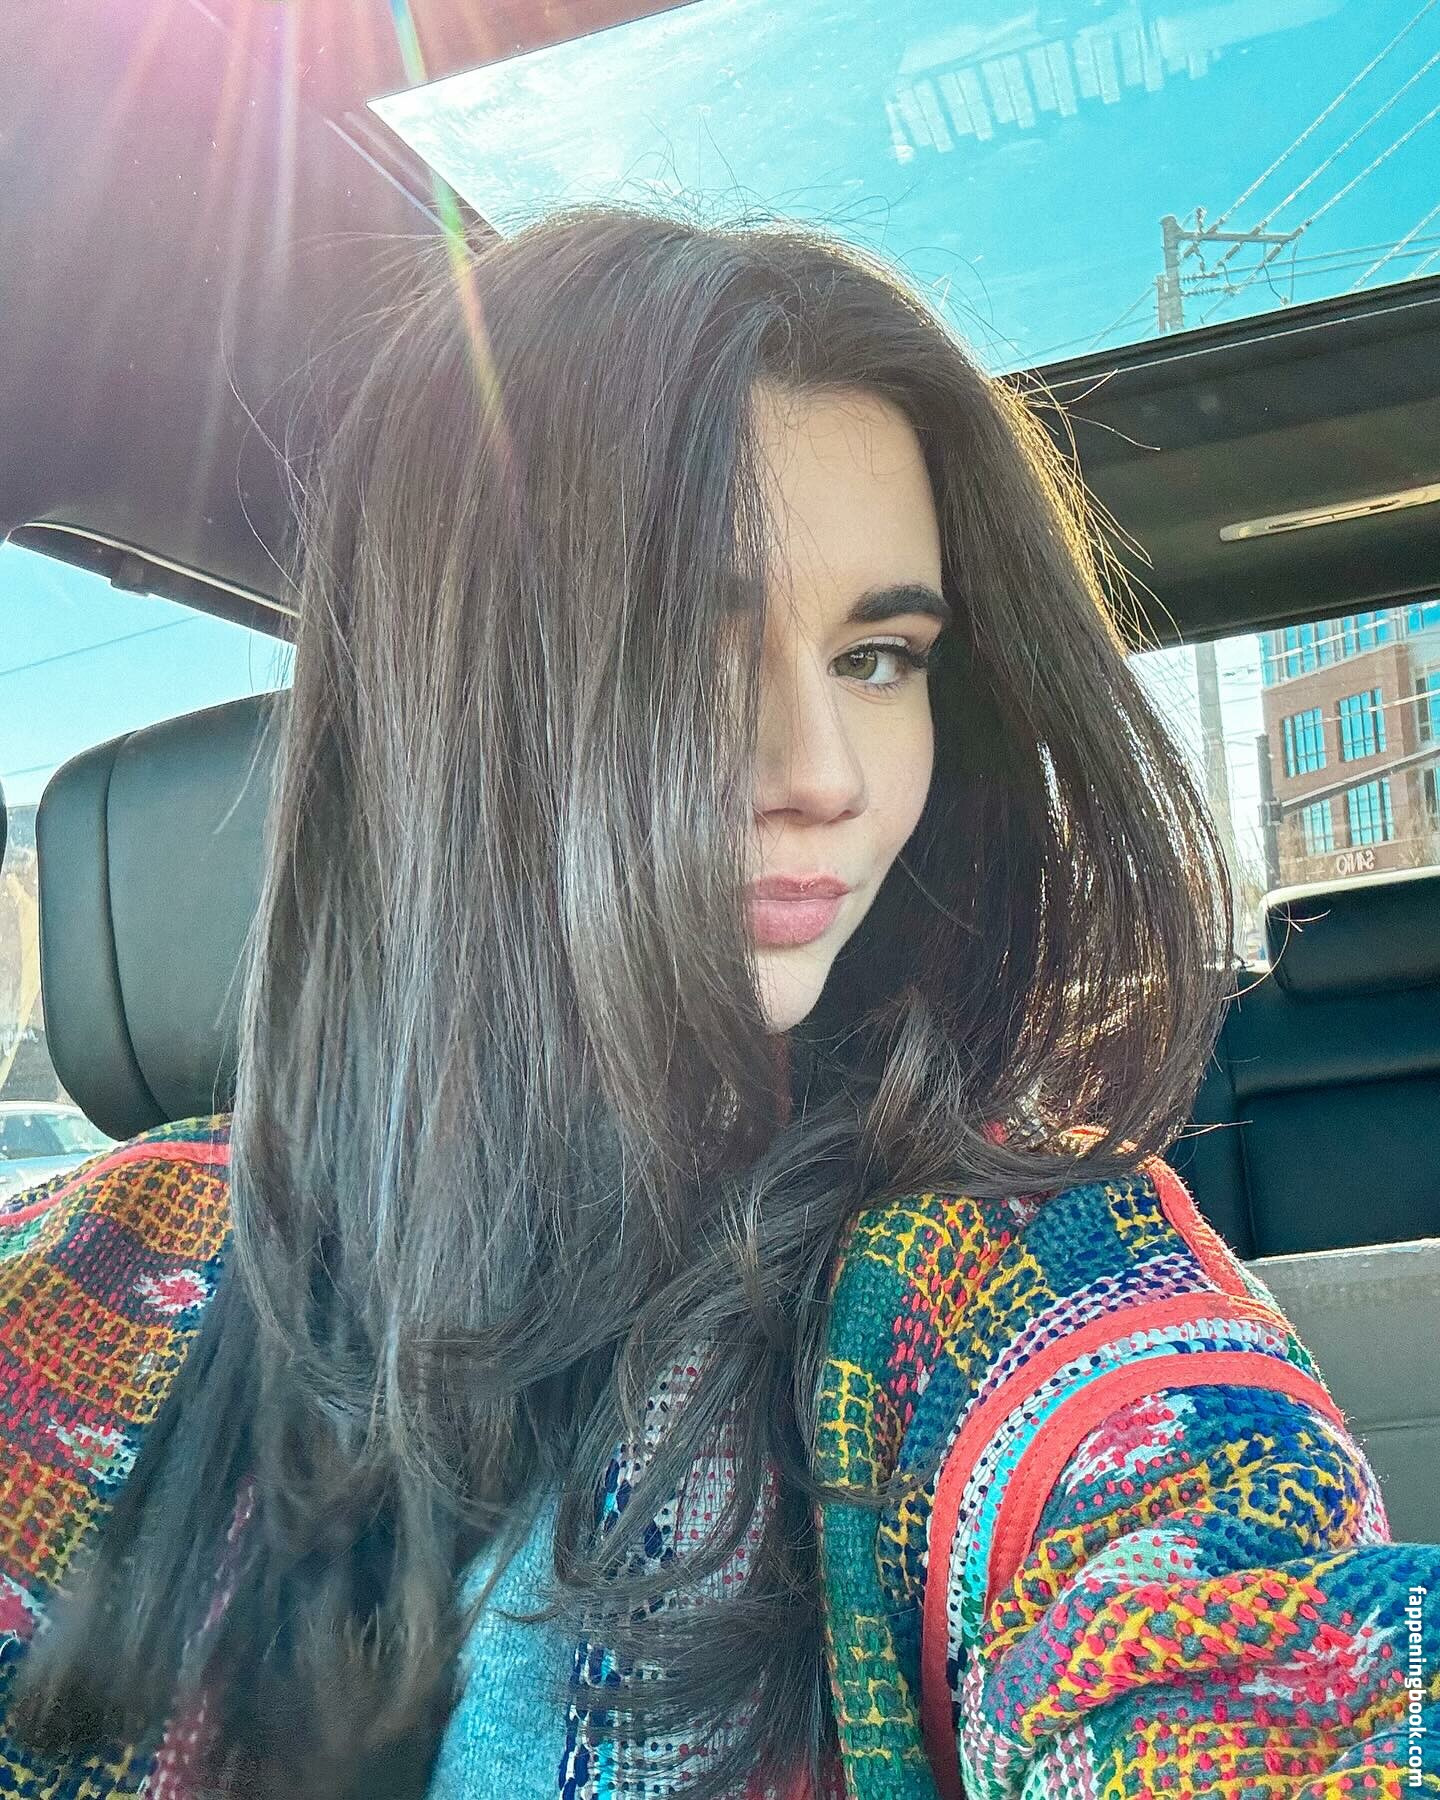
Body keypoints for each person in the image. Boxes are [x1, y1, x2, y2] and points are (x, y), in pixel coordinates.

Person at [0, 207, 1435, 1800]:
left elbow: (1230, 1619)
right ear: (451, 702)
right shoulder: (90, 1270)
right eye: (688, 647)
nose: (822, 776)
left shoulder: (1015, 1264)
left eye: (879, 657)